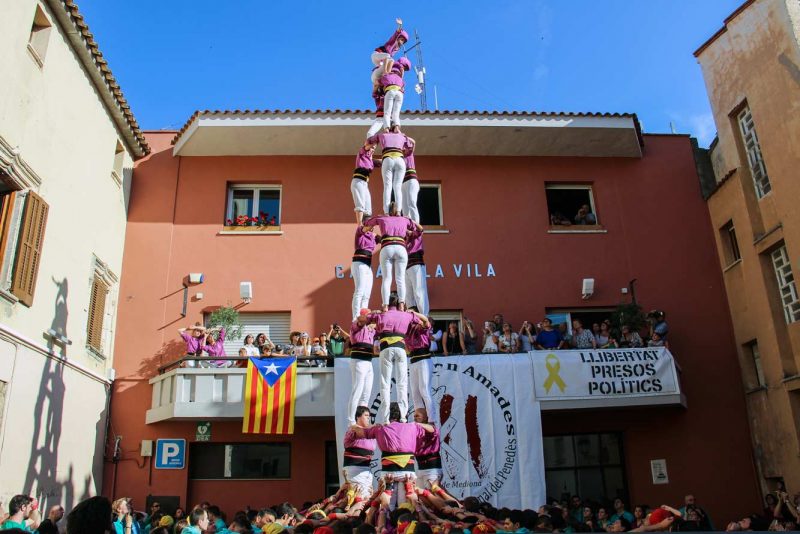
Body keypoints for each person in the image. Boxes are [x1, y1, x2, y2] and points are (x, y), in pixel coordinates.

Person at [350, 402, 436, 507]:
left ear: (386, 414)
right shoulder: (412, 427)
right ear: (402, 414)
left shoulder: (380, 428)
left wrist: (354, 424)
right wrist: (417, 424)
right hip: (407, 473)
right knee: (406, 507)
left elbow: (360, 433)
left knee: (387, 508)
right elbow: (432, 430)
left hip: (388, 472)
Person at [366, 294, 423, 422]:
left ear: (387, 303)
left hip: (386, 347)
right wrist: (410, 313)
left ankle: (386, 418)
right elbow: (420, 321)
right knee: (402, 382)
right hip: (400, 347)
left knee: (385, 383)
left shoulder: (381, 315)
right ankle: (403, 416)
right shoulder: (406, 315)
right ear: (399, 304)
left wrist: (377, 311)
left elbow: (366, 317)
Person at [365, 207, 415, 308]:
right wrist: (407, 221)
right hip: (401, 247)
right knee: (400, 278)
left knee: (387, 279)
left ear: (388, 211)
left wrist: (380, 217)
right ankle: (401, 303)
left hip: (387, 247)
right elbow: (415, 227)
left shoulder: (383, 218)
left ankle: (385, 305)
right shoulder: (404, 219)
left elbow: (368, 223)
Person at [367, 128, 412, 215]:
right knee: (398, 187)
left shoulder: (382, 135)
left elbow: (369, 140)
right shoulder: (402, 135)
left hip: (387, 159)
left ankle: (386, 212)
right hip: (400, 159)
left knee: (387, 186)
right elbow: (410, 147)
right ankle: (398, 211)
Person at [343, 406, 378, 508]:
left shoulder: (370, 432)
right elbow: (358, 431)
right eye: (366, 415)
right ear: (358, 417)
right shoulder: (353, 430)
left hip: (367, 470)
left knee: (366, 498)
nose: (368, 418)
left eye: (369, 416)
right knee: (356, 498)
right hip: (355, 469)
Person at [348, 310, 377, 426]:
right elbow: (361, 320)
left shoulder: (371, 328)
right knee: (357, 389)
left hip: (368, 361)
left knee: (367, 391)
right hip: (359, 360)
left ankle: (363, 420)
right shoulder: (356, 324)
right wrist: (371, 319)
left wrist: (375, 323)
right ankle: (351, 420)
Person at [406, 313, 434, 419]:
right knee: (414, 392)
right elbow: (407, 348)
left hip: (423, 358)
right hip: (413, 360)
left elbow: (426, 321)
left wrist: (413, 313)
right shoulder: (407, 330)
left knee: (424, 390)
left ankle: (432, 418)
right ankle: (420, 418)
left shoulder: (420, 326)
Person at [371, 19, 408, 88]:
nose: (402, 42)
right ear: (399, 38)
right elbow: (396, 34)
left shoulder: (396, 49)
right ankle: (385, 71)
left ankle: (387, 73)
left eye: (403, 41)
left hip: (381, 60)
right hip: (376, 55)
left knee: (391, 60)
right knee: (388, 56)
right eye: (402, 39)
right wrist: (400, 25)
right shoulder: (393, 42)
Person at [352, 223, 377, 320]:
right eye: (371, 225)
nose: (373, 227)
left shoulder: (372, 236)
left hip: (367, 265)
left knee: (367, 294)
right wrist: (374, 222)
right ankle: (355, 317)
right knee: (359, 291)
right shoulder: (360, 232)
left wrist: (375, 235)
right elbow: (364, 228)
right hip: (359, 263)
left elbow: (382, 239)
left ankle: (364, 316)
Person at [380, 57, 411, 130]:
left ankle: (386, 128)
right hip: (400, 93)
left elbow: (378, 83)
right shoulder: (400, 79)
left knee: (387, 113)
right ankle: (397, 127)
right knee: (396, 113)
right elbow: (403, 88)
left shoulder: (387, 75)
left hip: (390, 91)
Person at [405, 219, 428, 315]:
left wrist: (411, 220)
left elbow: (421, 229)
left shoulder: (415, 234)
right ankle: (412, 316)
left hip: (416, 263)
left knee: (419, 292)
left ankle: (425, 316)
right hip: (406, 265)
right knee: (408, 295)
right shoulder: (404, 237)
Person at [352, 143, 376, 225]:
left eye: (374, 149)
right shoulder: (362, 153)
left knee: (368, 209)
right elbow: (367, 146)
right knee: (360, 204)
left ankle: (367, 227)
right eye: (372, 148)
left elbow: (380, 161)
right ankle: (360, 226)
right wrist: (374, 140)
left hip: (365, 183)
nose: (372, 150)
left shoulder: (370, 161)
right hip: (358, 181)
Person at [401, 147, 419, 223]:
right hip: (403, 183)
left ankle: (416, 225)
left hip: (411, 180)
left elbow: (413, 143)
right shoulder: (399, 158)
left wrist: (403, 136)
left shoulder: (409, 154)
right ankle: (407, 227)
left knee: (411, 202)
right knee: (404, 208)